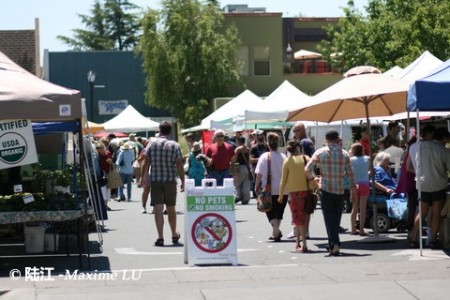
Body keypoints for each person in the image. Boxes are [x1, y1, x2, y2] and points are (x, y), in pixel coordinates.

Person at [305, 130, 357, 256]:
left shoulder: (320, 152)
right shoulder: (344, 154)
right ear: (337, 139)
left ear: (326, 139)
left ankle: (335, 244)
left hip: (325, 188)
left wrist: (314, 179)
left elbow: (307, 169)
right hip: (340, 189)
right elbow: (350, 173)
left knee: (329, 218)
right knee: (336, 218)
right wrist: (353, 189)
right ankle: (332, 244)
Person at [141, 121, 184, 247]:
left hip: (156, 180)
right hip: (170, 179)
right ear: (170, 131)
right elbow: (179, 164)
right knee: (171, 208)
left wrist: (143, 177)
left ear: (159, 130)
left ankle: (160, 237)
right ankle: (174, 234)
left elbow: (146, 161)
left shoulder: (152, 144)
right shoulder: (175, 145)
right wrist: (183, 181)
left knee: (158, 209)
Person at [409, 127, 450, 249]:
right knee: (436, 212)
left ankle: (414, 238)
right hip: (438, 184)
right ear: (443, 138)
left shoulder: (420, 147)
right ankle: (433, 240)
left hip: (422, 184)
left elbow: (415, 164)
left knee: (421, 212)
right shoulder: (443, 150)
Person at [278, 140, 317, 252]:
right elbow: (312, 175)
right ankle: (298, 242)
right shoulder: (306, 158)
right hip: (307, 191)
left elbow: (283, 180)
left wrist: (281, 195)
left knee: (297, 218)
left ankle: (302, 243)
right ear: (299, 148)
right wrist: (316, 188)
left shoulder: (287, 161)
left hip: (294, 193)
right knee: (303, 217)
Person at [255, 132, 288, 242]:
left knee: (269, 211)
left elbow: (259, 174)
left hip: (268, 189)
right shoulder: (283, 156)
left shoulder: (264, 157)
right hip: (283, 189)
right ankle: (275, 232)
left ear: (267, 143)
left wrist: (256, 187)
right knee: (279, 212)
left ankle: (276, 231)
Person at [287, 121, 315, 239]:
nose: (295, 133)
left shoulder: (304, 142)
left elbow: (305, 161)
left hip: (300, 180)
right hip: (306, 180)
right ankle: (305, 231)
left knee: (296, 206)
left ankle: (297, 230)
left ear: (303, 130)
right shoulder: (307, 142)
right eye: (294, 131)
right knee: (305, 206)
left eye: (297, 130)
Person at [349, 143, 370, 236]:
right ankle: (361, 229)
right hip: (365, 183)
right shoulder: (368, 159)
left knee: (354, 207)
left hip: (354, 184)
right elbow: (371, 171)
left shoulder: (351, 160)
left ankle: (353, 228)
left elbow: (348, 172)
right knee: (363, 208)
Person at [230, 136, 251, 204]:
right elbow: (249, 160)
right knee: (246, 184)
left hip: (239, 168)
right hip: (246, 167)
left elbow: (234, 159)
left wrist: (231, 164)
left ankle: (237, 196)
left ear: (238, 141)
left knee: (237, 183)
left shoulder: (237, 149)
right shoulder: (247, 148)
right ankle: (245, 199)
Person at [250, 130, 269, 196]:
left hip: (266, 168)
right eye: (259, 135)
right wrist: (261, 159)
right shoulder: (254, 147)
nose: (261, 136)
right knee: (257, 181)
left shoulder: (267, 146)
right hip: (256, 168)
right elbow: (251, 159)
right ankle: (257, 193)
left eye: (262, 135)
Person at [96, 142, 113, 211]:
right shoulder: (97, 155)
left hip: (109, 174)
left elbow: (112, 163)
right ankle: (104, 205)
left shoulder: (108, 153)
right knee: (103, 190)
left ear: (103, 148)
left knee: (108, 190)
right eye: (98, 148)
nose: (99, 150)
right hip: (101, 175)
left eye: (100, 148)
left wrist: (110, 162)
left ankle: (106, 204)